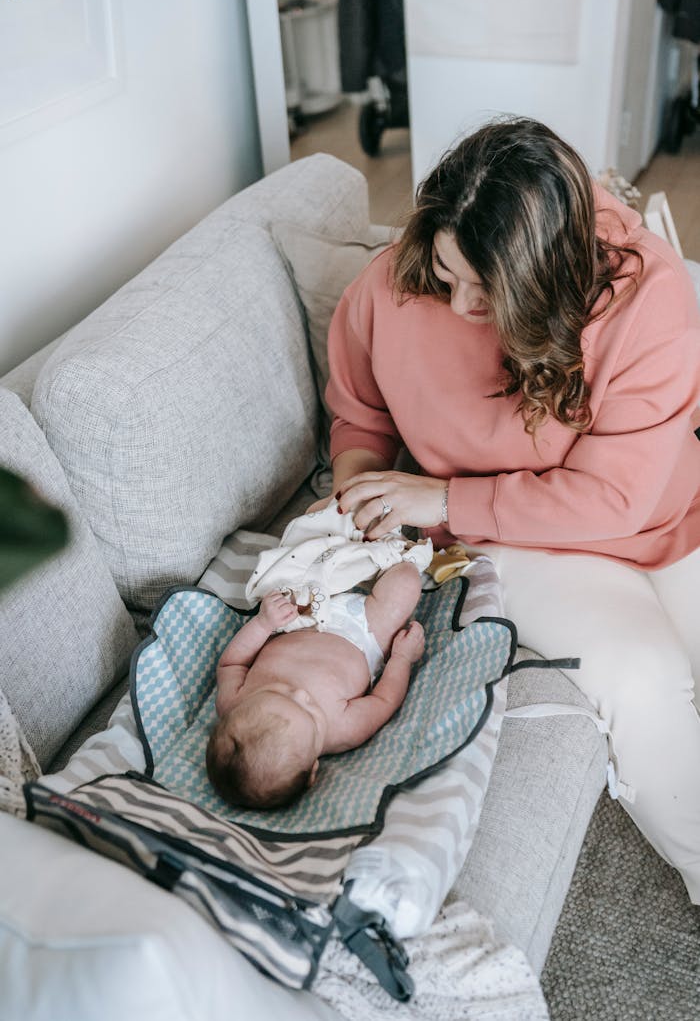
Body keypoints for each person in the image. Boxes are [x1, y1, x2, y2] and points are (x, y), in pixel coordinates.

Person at [323, 116, 700, 902]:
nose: (458, 304)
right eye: (446, 271)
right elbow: (359, 417)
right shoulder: (392, 283)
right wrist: (362, 497)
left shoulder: (650, 297)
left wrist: (441, 493)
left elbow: (615, 495)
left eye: (486, 291)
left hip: (656, 517)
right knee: (647, 679)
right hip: (512, 541)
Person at [206, 561, 425, 809]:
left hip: (299, 618)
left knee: (298, 561)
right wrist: (402, 658)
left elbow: (231, 664)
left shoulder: (231, 703)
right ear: (313, 770)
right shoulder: (343, 731)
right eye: (310, 709)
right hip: (363, 632)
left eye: (279, 690)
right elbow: (385, 700)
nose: (300, 692)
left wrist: (264, 623)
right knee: (406, 580)